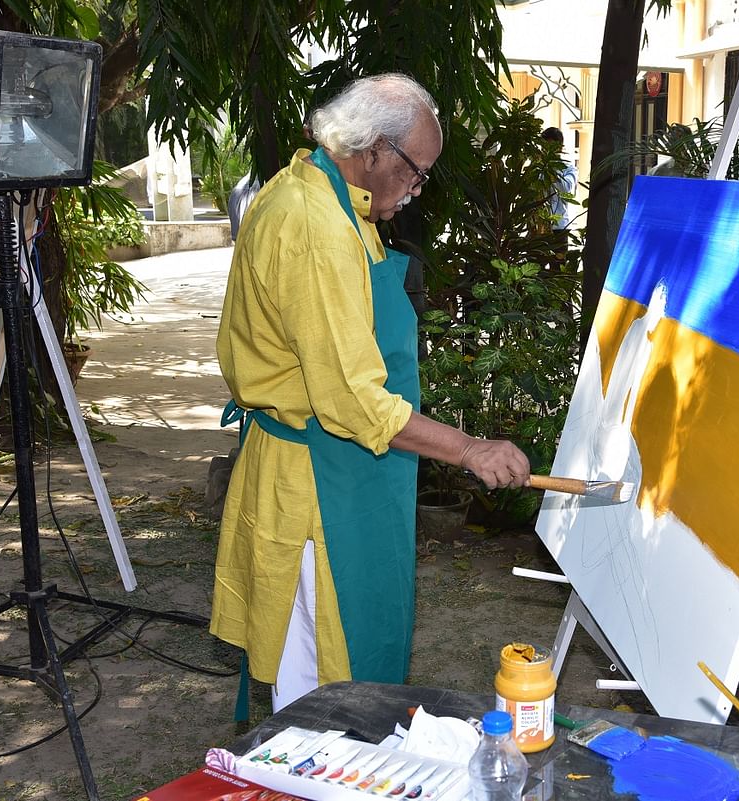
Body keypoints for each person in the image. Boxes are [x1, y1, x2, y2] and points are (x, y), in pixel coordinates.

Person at [212, 73, 531, 712]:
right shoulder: (316, 227)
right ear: (375, 149)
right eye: (417, 172)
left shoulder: (318, 191)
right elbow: (354, 402)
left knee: (348, 660)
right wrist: (469, 449)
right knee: (323, 681)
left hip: (345, 467)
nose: (417, 190)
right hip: (318, 480)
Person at [540, 127, 578, 231]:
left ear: (560, 147)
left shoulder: (569, 168)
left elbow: (566, 189)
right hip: (539, 226)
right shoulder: (537, 168)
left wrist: (553, 168)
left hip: (559, 226)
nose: (547, 150)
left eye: (551, 146)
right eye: (544, 147)